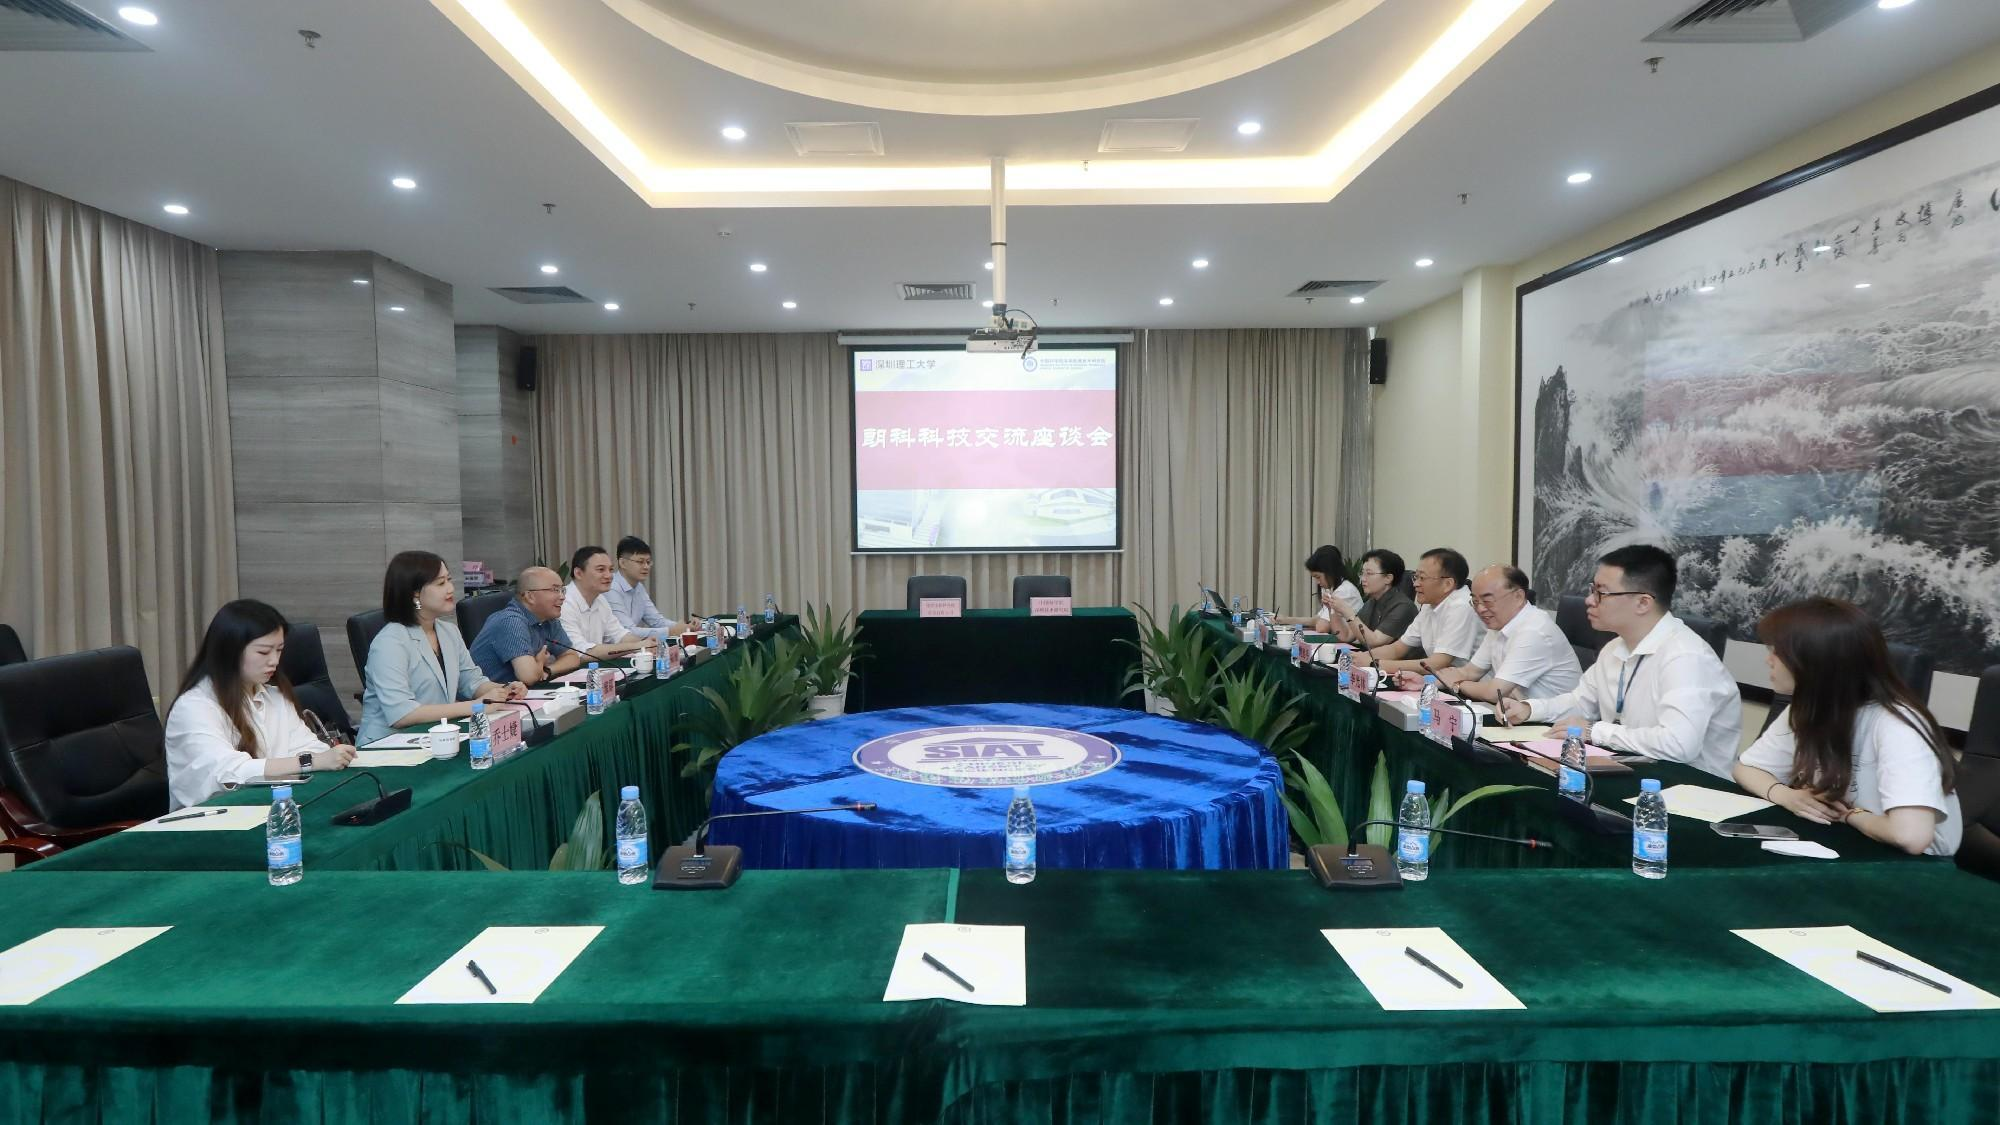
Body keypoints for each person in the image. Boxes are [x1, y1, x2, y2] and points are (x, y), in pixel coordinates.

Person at [1732, 598, 1960, 856]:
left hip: (1912, 866)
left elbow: (1910, 837)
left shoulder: (1898, 725)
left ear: (1815, 661)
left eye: (1778, 652)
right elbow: (1747, 769)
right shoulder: (1811, 706)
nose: (1769, 660)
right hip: (1851, 844)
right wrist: (1786, 796)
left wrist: (1850, 815)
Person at [1499, 545, 1742, 778]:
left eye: (1601, 593)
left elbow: (1678, 744)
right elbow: (1580, 703)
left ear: (1643, 603)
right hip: (1630, 768)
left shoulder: (1686, 657)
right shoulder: (1615, 648)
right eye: (1592, 590)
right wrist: (1529, 709)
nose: (1589, 600)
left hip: (1692, 788)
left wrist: (1594, 731)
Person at [164, 599, 356, 809]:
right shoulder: (194, 707)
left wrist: (333, 757)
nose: (274, 661)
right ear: (230, 651)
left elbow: (309, 748)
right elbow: (227, 773)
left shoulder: (275, 696)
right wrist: (310, 762)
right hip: (211, 818)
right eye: (264, 652)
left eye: (279, 650)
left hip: (268, 808)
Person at [359, 550, 524, 745]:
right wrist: (475, 706)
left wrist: (504, 690)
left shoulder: (448, 632)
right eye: (440, 583)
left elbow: (471, 681)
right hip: (387, 746)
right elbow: (402, 714)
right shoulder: (390, 642)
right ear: (415, 593)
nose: (450, 588)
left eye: (449, 580)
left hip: (437, 737)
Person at [1408, 565, 1581, 705]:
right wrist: (1427, 681)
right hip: (1519, 714)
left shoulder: (1534, 631)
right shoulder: (1499, 624)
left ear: (1518, 596)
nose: (1480, 609)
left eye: (1487, 601)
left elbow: (1494, 692)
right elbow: (1470, 671)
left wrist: (1456, 684)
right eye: (1475, 601)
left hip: (1555, 725)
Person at [1348, 547, 1481, 676]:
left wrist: (1373, 663)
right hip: (1440, 679)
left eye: (1422, 578)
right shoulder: (1430, 604)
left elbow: (1437, 663)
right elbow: (1397, 649)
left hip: (1470, 686)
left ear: (1448, 584)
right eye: (1415, 577)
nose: (1415, 584)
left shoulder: (1461, 606)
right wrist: (1360, 657)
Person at [470, 566, 585, 686]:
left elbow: (572, 657)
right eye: (555, 590)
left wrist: (547, 670)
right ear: (530, 596)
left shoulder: (548, 619)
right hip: (491, 694)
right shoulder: (511, 621)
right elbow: (528, 677)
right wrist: (540, 662)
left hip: (522, 692)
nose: (562, 597)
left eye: (562, 590)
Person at [561, 545, 654, 660]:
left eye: (610, 570)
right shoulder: (563, 602)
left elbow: (620, 635)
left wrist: (648, 644)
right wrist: (637, 646)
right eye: (601, 570)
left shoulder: (600, 599)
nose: (609, 576)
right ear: (578, 573)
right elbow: (581, 653)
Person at [1322, 549, 1419, 647]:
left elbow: (1375, 641)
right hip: (1372, 655)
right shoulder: (1372, 602)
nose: (1363, 579)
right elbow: (1346, 636)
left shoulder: (1403, 607)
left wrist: (1347, 612)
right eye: (1362, 573)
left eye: (1369, 573)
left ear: (1388, 578)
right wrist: (1332, 610)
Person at [606, 536, 686, 643]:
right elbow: (626, 631)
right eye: (640, 562)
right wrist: (671, 631)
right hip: (612, 648)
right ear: (623, 563)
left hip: (631, 647)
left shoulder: (639, 587)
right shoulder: (611, 588)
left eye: (648, 562)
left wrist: (685, 627)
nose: (646, 567)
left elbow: (657, 621)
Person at [1277, 545, 1362, 628]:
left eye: (1318, 577)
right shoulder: (1331, 588)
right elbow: (1318, 618)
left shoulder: (1345, 591)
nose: (1317, 582)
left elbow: (1322, 626)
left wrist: (1289, 620)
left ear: (1330, 572)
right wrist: (1286, 620)